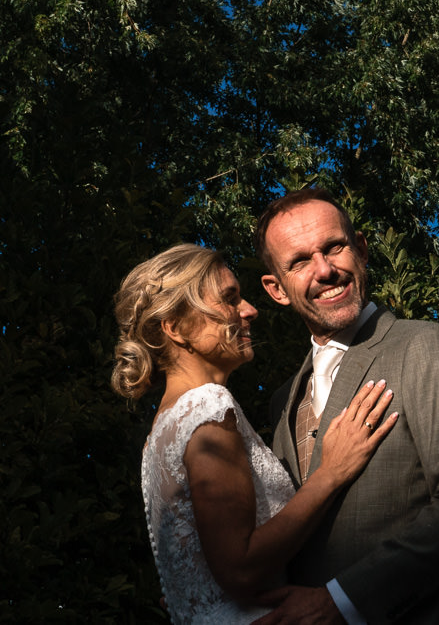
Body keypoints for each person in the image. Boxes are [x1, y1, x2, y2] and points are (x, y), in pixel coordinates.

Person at [112, 244, 400, 624]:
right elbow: (240, 569)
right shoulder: (209, 409)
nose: (250, 310)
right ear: (176, 328)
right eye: (230, 299)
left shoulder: (159, 433)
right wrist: (330, 473)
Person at [251, 188, 439, 625]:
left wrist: (340, 602)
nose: (325, 270)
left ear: (362, 250)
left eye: (335, 247)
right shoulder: (283, 400)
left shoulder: (426, 345)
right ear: (276, 289)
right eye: (300, 261)